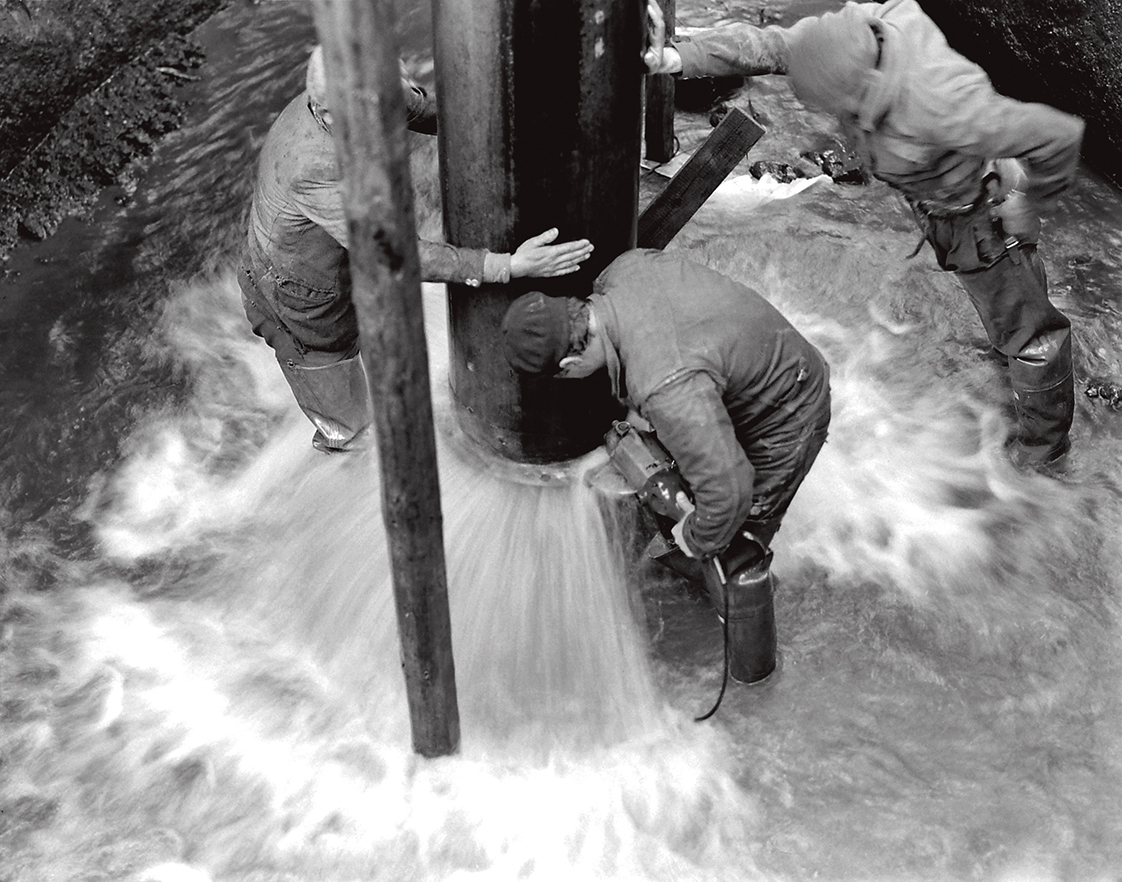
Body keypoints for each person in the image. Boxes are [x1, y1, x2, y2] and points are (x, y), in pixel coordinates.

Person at [643, 0, 1085, 472]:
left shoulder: (944, 103)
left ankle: (1043, 456)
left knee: (1033, 336)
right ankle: (1009, 349)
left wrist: (1028, 206)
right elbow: (769, 45)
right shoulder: (846, 39)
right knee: (1007, 309)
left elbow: (1057, 136)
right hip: (938, 197)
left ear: (863, 90)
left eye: (835, 109)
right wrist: (677, 58)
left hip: (980, 208)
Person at [238, 46, 594, 452]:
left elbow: (418, 109)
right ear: (332, 116)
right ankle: (351, 467)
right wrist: (508, 265)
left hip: (340, 259)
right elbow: (397, 254)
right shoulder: (315, 167)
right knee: (353, 428)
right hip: (295, 301)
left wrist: (500, 123)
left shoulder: (362, 95)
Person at [500, 248, 831, 683]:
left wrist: (695, 537)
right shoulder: (623, 269)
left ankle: (757, 678)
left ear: (568, 365)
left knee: (735, 548)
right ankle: (691, 572)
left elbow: (730, 495)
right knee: (690, 480)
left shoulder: (665, 385)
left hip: (788, 408)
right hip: (748, 363)